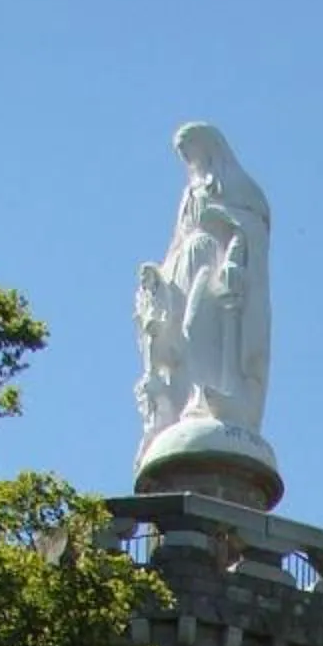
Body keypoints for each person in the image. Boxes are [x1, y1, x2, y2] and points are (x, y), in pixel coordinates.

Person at [136, 122, 271, 442]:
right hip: (185, 265)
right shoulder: (190, 193)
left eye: (190, 150)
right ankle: (192, 400)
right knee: (181, 337)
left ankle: (224, 394)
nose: (188, 159)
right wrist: (161, 276)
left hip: (212, 264)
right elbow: (178, 239)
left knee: (198, 324)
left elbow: (250, 228)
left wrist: (234, 259)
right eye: (183, 154)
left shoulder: (234, 185)